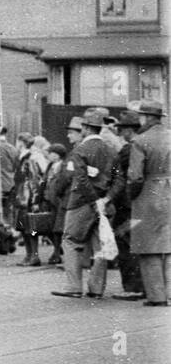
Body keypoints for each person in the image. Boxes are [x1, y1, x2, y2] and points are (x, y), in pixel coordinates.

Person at [52, 107, 117, 300]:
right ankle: (97, 288)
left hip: (81, 203)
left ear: (86, 129)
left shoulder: (80, 150)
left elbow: (79, 179)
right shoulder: (111, 150)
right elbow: (119, 179)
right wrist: (106, 198)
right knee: (100, 245)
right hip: (105, 203)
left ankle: (73, 287)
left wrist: (93, 200)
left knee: (70, 241)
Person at [127, 99, 170, 307]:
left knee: (149, 247)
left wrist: (132, 195)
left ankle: (157, 296)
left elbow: (135, 176)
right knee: (169, 245)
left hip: (149, 193)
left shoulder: (140, 141)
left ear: (145, 118)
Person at [102, 109, 146, 301]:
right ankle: (141, 285)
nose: (120, 133)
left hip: (127, 205)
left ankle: (132, 287)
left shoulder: (130, 148)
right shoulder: (143, 144)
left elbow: (120, 174)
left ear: (129, 130)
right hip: (141, 204)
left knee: (126, 243)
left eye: (122, 129)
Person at [14, 135, 52, 267]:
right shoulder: (25, 156)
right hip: (24, 193)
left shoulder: (33, 156)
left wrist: (37, 196)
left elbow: (41, 175)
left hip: (30, 193)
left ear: (22, 143)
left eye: (18, 142)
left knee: (31, 226)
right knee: (25, 226)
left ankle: (34, 255)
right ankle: (29, 255)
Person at [41, 141, 70, 265]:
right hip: (48, 200)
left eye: (51, 153)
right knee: (49, 227)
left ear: (58, 155)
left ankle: (57, 252)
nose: (49, 155)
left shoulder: (63, 166)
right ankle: (57, 250)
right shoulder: (50, 166)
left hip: (58, 201)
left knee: (57, 228)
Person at [0, 128, 19, 254]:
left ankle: (4, 243)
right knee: (8, 214)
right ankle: (9, 242)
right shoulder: (12, 148)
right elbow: (16, 166)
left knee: (0, 216)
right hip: (11, 183)